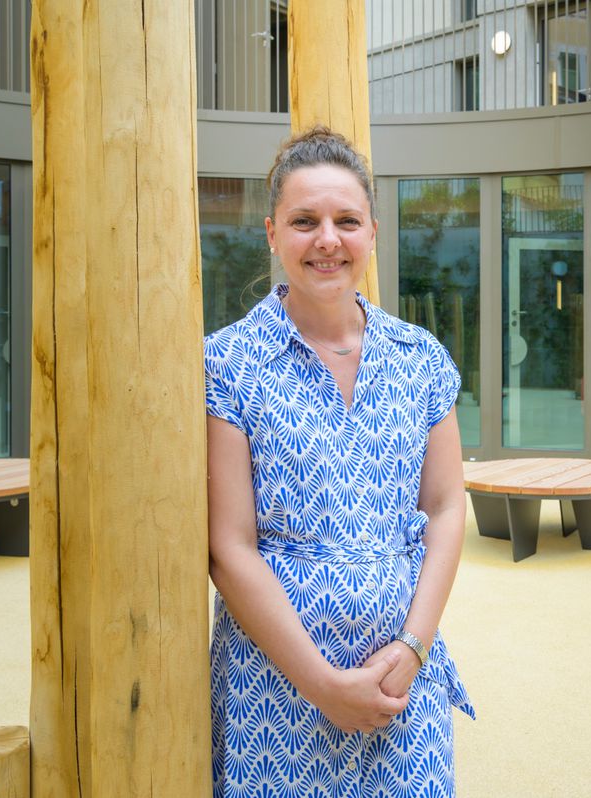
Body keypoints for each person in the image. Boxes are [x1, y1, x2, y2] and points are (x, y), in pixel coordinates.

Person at [204, 126, 474, 797]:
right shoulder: (228, 364)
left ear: (373, 233)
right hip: (276, 690)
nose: (328, 240)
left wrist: (412, 649)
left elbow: (445, 507)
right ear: (272, 233)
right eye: (304, 221)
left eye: (346, 221)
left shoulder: (421, 358)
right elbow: (229, 546)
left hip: (401, 684)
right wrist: (323, 686)